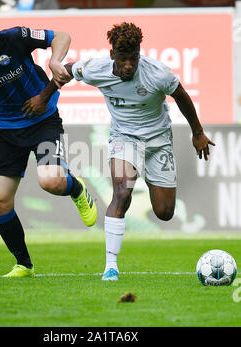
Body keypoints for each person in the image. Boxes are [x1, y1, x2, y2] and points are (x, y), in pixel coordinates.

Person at [26, 22, 215, 281]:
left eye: (133, 59)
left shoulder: (157, 73)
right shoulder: (96, 68)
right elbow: (66, 71)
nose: (128, 66)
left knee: (164, 212)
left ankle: (151, 177)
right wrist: (44, 97)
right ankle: (111, 267)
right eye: (123, 59)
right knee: (122, 191)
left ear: (140, 54)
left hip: (158, 140)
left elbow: (181, 96)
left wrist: (197, 133)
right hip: (124, 137)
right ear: (112, 54)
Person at [0, 7, 97, 278]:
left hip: (43, 120)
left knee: (51, 181)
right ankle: (23, 265)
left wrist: (54, 60)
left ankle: (76, 189)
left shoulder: (15, 37)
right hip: (5, 131)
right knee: (0, 202)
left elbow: (61, 35)